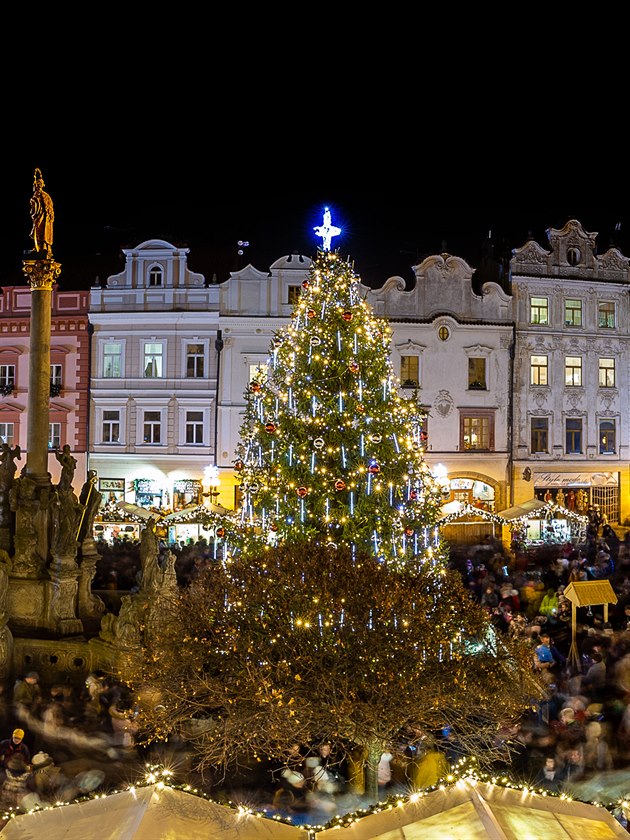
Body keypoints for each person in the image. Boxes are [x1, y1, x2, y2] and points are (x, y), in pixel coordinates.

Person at [29, 168, 54, 256]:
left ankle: (44, 246)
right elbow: (33, 208)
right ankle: (37, 246)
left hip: (44, 216)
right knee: (36, 230)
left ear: (42, 185)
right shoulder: (35, 195)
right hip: (37, 216)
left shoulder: (45, 195)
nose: (38, 186)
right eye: (37, 184)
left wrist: (47, 214)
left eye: (40, 184)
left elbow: (48, 207)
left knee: (44, 231)